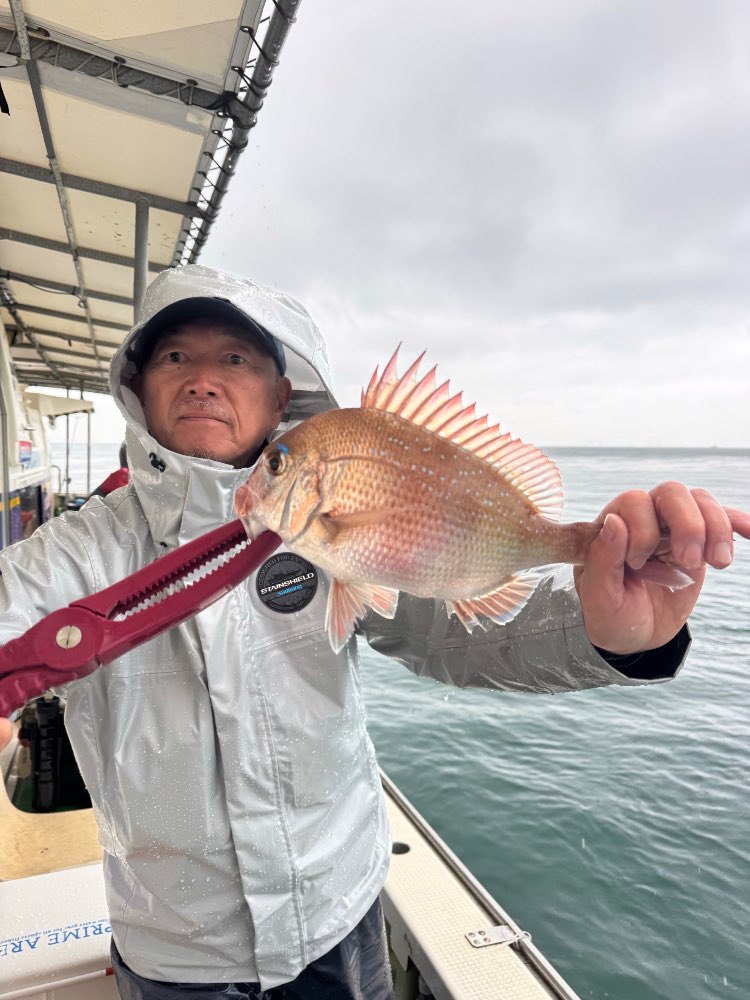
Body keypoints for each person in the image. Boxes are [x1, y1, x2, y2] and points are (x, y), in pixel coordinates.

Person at [0, 264, 747, 1000]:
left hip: (341, 919)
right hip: (176, 959)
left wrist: (611, 634)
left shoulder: (319, 527)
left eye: (234, 358)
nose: (202, 380)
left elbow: (464, 641)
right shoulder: (78, 552)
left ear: (280, 395)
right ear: (136, 386)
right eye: (174, 356)